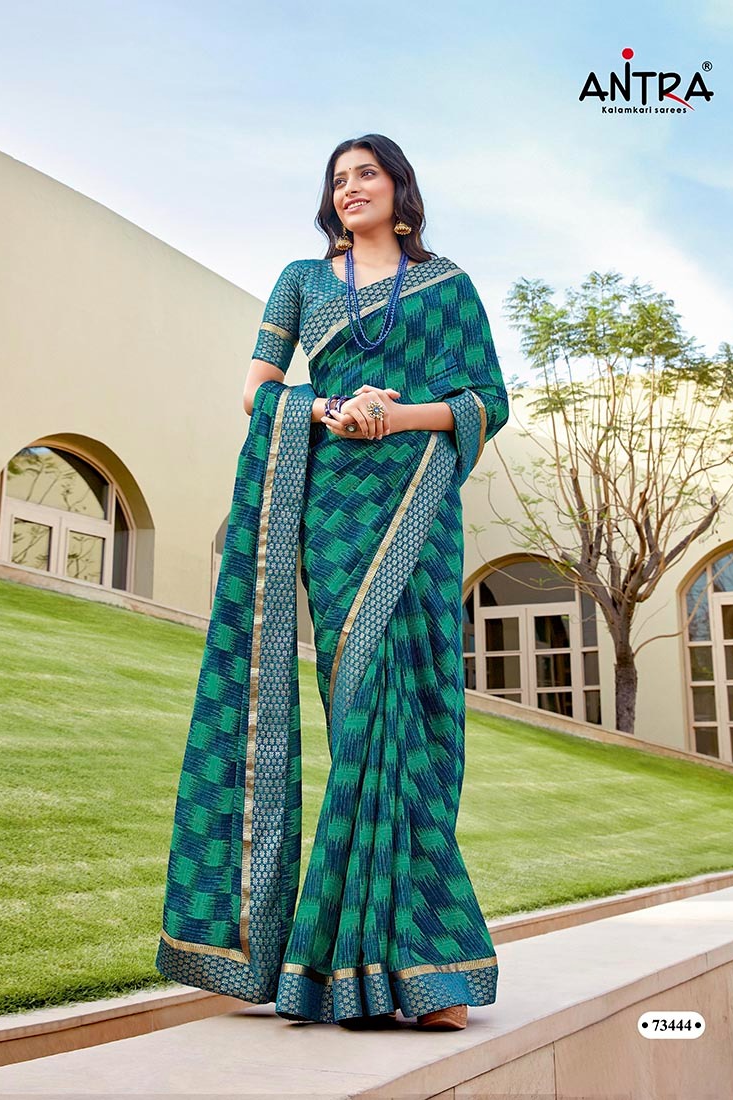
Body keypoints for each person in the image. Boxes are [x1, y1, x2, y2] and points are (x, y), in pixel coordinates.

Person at [155, 133, 510, 1032]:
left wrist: (395, 414)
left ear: (399, 188)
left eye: (367, 175)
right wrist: (324, 409)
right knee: (358, 713)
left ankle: (423, 969)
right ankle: (367, 969)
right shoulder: (302, 283)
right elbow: (258, 391)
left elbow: (485, 402)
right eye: (339, 179)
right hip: (334, 508)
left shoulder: (449, 287)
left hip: (416, 503)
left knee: (413, 725)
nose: (351, 188)